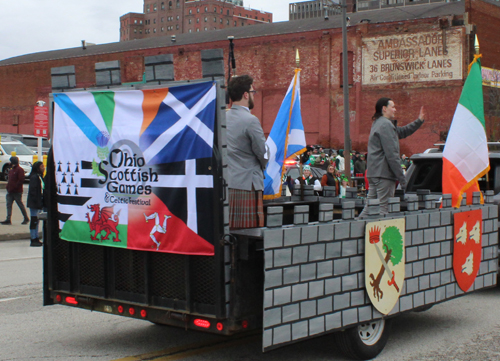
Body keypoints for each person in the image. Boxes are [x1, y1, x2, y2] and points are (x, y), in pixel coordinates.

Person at [359, 98, 425, 216]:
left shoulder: (379, 123)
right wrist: (402, 179)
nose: (395, 109)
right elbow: (392, 155)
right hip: (384, 174)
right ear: (384, 108)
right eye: (393, 107)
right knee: (384, 209)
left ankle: (355, 230)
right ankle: (380, 233)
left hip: (374, 173)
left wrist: (419, 121)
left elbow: (402, 131)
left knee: (370, 208)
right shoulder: (385, 125)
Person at [226, 75, 268, 229]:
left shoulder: (222, 117)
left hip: (227, 183)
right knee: (249, 235)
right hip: (247, 184)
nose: (253, 95)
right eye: (252, 92)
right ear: (245, 95)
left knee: (229, 232)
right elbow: (263, 153)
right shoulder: (251, 120)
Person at [1, 156, 29, 225]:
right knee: (9, 205)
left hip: (17, 191)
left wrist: (15, 187)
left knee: (20, 204)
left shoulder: (19, 170)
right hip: (10, 191)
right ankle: (8, 219)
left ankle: (26, 218)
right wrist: (8, 187)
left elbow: (21, 180)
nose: (9, 162)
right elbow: (10, 180)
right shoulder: (11, 170)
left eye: (10, 161)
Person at [27, 161, 45, 246]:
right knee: (34, 221)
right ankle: (33, 238)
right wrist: (37, 202)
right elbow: (33, 191)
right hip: (34, 203)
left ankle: (36, 237)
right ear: (37, 168)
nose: (43, 168)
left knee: (37, 221)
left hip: (38, 202)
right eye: (42, 166)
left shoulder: (40, 177)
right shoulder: (34, 177)